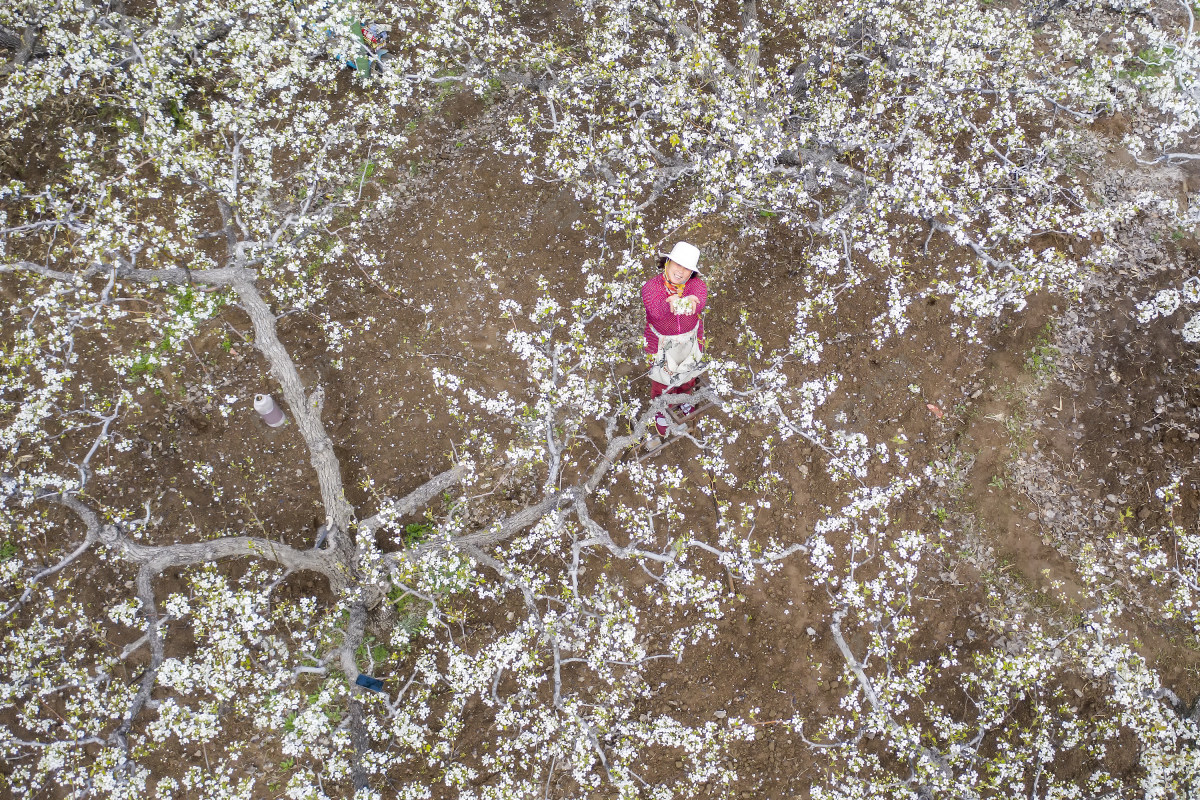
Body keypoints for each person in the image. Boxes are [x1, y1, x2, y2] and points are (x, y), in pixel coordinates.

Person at [642, 241, 707, 440]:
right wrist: (667, 304)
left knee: (687, 375)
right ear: (667, 262)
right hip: (661, 343)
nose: (680, 271)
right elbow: (655, 310)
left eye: (686, 268)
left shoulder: (696, 285)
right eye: (677, 264)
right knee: (662, 382)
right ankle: (662, 411)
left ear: (692, 273)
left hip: (689, 339)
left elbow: (700, 299)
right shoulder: (652, 287)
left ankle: (685, 399)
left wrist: (694, 302)